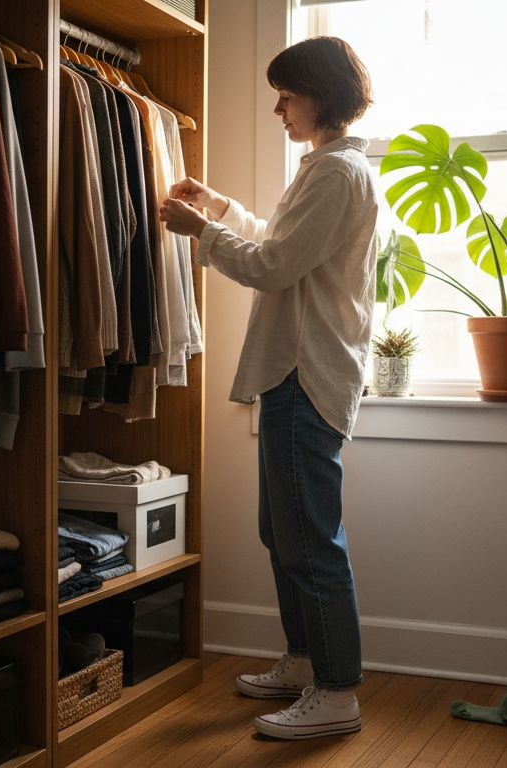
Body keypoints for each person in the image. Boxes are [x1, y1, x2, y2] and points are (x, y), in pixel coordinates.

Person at [159, 36, 378, 740]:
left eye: (287, 93)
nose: (278, 107)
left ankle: (337, 690)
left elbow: (275, 267)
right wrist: (221, 210)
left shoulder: (337, 175)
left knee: (310, 539)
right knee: (282, 530)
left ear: (321, 93)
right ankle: (305, 659)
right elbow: (285, 249)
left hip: (304, 374)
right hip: (298, 370)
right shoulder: (327, 168)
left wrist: (201, 232)